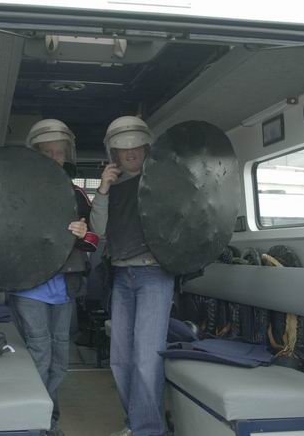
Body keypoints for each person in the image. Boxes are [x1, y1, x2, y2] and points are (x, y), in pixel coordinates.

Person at [9, 119, 98, 436]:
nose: (53, 157)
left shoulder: (77, 194)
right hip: (28, 287)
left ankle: (48, 418)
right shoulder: (17, 191)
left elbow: (94, 242)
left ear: (66, 155)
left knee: (60, 357)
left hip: (64, 286)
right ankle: (36, 422)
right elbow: (1, 235)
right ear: (35, 153)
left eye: (58, 152)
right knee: (40, 351)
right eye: (46, 152)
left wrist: (83, 233)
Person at [90, 116, 174, 436]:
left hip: (154, 274)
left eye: (137, 146)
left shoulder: (162, 181)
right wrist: (103, 188)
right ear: (114, 153)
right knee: (121, 360)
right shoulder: (111, 189)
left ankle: (149, 430)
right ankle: (135, 424)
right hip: (122, 276)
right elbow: (98, 230)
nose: (131, 152)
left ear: (147, 148)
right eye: (123, 149)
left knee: (146, 359)